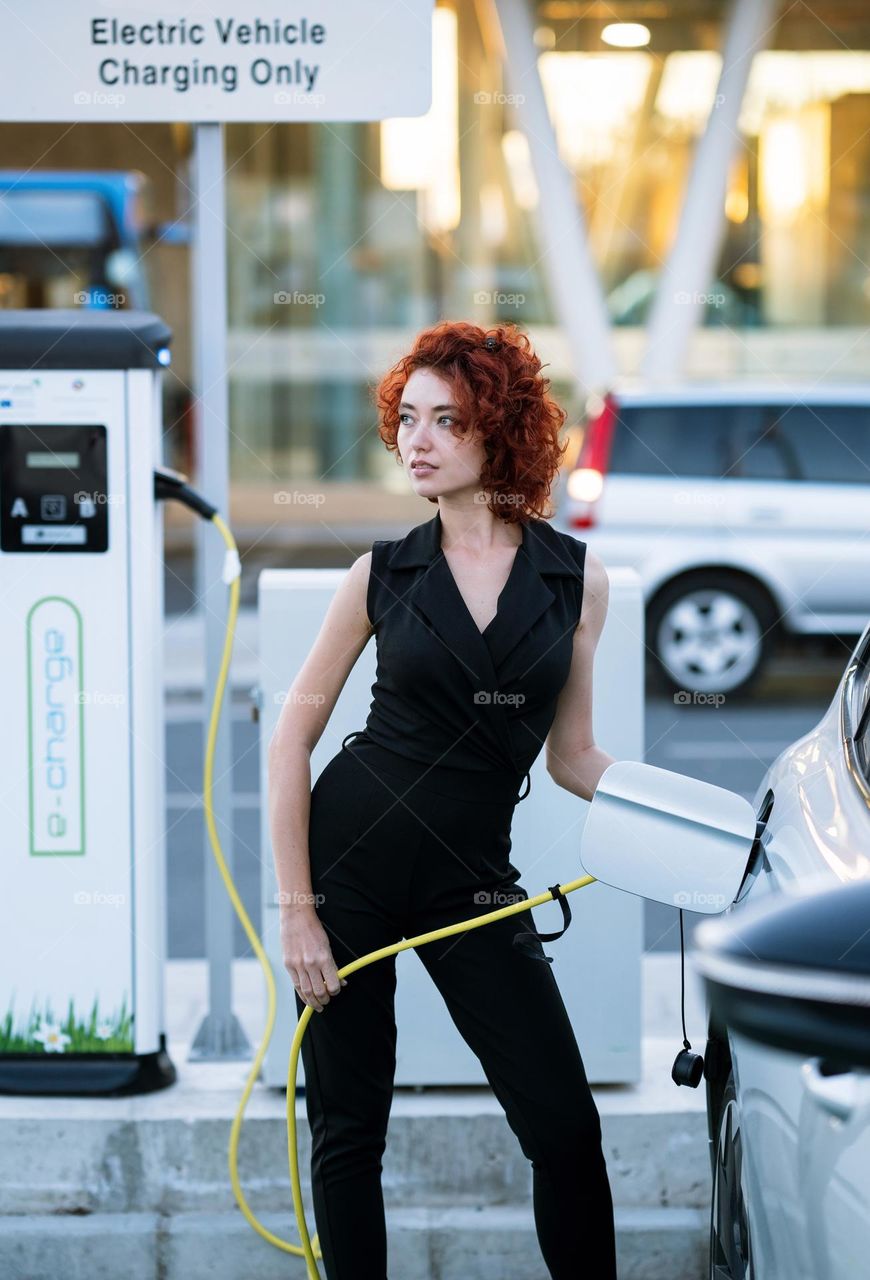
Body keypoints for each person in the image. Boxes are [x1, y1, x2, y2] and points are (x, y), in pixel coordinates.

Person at [267, 320, 618, 1279]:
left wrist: (685, 814)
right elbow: (290, 740)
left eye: (446, 421)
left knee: (564, 1127)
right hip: (351, 868)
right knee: (351, 1132)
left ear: (498, 432)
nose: (416, 441)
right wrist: (298, 914)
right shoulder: (379, 575)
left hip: (472, 881)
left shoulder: (576, 582)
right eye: (407, 419)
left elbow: (573, 757)